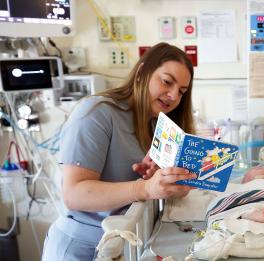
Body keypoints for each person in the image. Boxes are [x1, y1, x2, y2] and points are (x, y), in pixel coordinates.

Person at [42, 43, 197, 261]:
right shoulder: (97, 113)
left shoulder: (156, 126)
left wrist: (174, 185)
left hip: (128, 243)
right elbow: (74, 195)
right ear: (142, 72)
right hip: (83, 248)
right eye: (166, 81)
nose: (173, 95)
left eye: (181, 92)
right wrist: (145, 188)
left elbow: (147, 188)